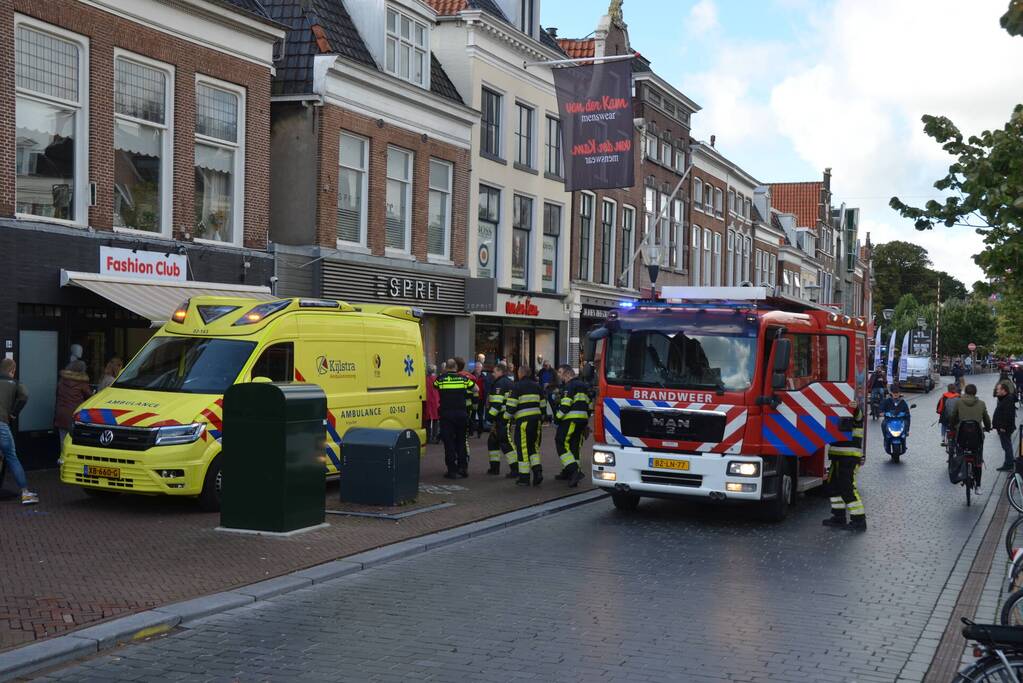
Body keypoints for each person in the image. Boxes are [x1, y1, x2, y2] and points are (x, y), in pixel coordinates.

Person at [822, 402, 866, 531]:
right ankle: (838, 517)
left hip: (849, 457)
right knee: (833, 487)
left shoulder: (855, 413)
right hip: (836, 456)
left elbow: (858, 415)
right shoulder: (836, 414)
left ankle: (859, 520)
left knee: (848, 488)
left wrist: (855, 407)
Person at [0, 359, 37, 505]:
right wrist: (14, 414)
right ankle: (25, 493)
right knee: (11, 457)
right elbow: (25, 395)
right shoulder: (14, 383)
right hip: (2, 424)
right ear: (12, 370)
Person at [435, 359, 477, 479]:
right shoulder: (463, 379)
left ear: (446, 368)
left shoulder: (441, 379)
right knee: (461, 441)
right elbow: (476, 389)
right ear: (456, 367)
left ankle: (452, 470)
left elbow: (435, 387)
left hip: (447, 415)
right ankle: (463, 468)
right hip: (461, 414)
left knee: (449, 443)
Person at [505, 364, 545, 487]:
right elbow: (543, 405)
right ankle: (537, 472)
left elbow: (511, 406)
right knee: (533, 447)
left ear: (521, 373)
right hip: (536, 421)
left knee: (522, 449)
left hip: (523, 422)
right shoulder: (537, 386)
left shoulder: (517, 386)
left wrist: (505, 418)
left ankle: (524, 478)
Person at [553, 364, 591, 487]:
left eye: (560, 372)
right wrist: (586, 422)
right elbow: (590, 406)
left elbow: (565, 405)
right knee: (574, 447)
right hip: (582, 422)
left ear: (568, 373)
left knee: (561, 442)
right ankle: (569, 473)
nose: (559, 375)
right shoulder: (584, 386)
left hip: (570, 421)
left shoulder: (569, 386)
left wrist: (557, 419)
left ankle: (574, 471)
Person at [950, 384, 992, 494]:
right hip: (977, 437)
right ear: (975, 393)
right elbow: (986, 419)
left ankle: (960, 472)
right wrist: (987, 428)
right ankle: (978, 486)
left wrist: (953, 426)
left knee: (959, 452)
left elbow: (953, 417)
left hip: (962, 436)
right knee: (978, 460)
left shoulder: (959, 402)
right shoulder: (981, 404)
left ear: (965, 392)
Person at [54, 360, 93, 453]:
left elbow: (57, 394)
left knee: (63, 441)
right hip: (75, 415)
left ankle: (63, 462)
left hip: (61, 414)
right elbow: (90, 398)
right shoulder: (82, 383)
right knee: (75, 442)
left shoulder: (62, 380)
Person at [485, 362, 516, 476]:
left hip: (501, 418)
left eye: (494, 371)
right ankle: (494, 468)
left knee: (505, 442)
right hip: (502, 417)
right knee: (493, 442)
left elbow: (497, 404)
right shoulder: (508, 382)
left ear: (500, 371)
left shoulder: (500, 384)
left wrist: (489, 417)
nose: (493, 374)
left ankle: (515, 468)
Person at [880, 384, 911, 451]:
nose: (895, 394)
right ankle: (885, 438)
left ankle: (905, 437)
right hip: (889, 420)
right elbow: (882, 407)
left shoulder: (902, 402)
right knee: (883, 424)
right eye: (894, 393)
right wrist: (881, 412)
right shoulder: (887, 401)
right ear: (891, 393)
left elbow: (907, 411)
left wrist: (906, 414)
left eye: (897, 393)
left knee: (906, 422)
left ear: (899, 393)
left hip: (900, 420)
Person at [994, 381, 1017, 471]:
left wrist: (1003, 427)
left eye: (998, 389)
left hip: (1005, 428)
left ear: (1004, 390)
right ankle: (1009, 461)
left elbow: (1008, 415)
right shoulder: (1004, 398)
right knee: (1006, 445)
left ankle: (1009, 464)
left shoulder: (1008, 400)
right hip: (1003, 427)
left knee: (1006, 446)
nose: (996, 391)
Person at [425, 364, 440, 444]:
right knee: (435, 420)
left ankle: (428, 437)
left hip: (428, 401)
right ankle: (434, 436)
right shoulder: (436, 379)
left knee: (427, 421)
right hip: (435, 401)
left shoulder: (425, 379)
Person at [472, 362, 487, 437]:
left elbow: (486, 389)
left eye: (479, 367)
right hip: (472, 399)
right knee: (472, 415)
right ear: (474, 368)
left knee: (480, 416)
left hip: (481, 399)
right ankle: (471, 431)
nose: (477, 369)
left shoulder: (484, 377)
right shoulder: (471, 376)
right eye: (476, 367)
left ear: (481, 368)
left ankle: (480, 431)